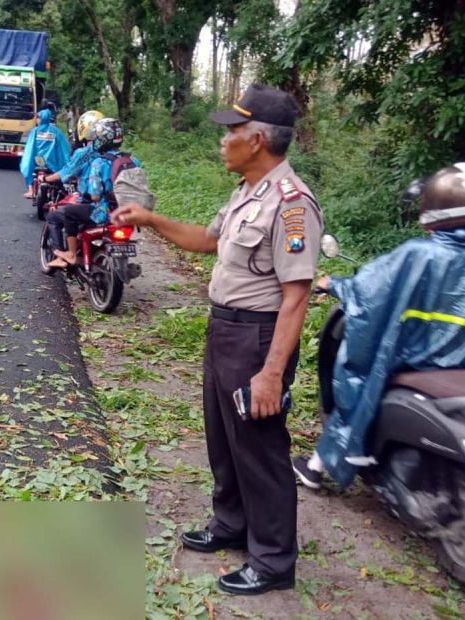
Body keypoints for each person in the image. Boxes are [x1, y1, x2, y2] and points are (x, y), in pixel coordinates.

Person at [112, 84, 322, 595]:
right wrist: (150, 219)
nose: (222, 141)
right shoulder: (246, 193)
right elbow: (206, 241)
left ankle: (273, 561)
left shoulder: (291, 205)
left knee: (260, 446)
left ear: (256, 140)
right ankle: (232, 525)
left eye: (230, 132)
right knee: (224, 438)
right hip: (224, 330)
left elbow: (296, 297)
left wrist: (272, 372)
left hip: (258, 338)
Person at [293, 163, 465, 490]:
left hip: (410, 357)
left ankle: (321, 466)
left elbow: (369, 291)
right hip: (461, 362)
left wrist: (334, 283)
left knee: (358, 378)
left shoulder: (418, 253)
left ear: (437, 206)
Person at [48, 117, 139, 268]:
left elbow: (95, 195)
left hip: (104, 213)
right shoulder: (133, 160)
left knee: (70, 212)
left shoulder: (99, 163)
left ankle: (70, 254)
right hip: (129, 213)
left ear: (102, 139)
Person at [43, 110, 104, 255]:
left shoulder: (83, 153)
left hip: (93, 205)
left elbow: (67, 173)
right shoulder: (116, 156)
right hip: (114, 208)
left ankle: (64, 254)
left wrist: (45, 179)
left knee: (54, 216)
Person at [21, 108, 70, 199]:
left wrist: (28, 160)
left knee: (27, 168)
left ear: (41, 118)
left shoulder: (35, 131)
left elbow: (30, 148)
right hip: (53, 164)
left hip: (37, 161)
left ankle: (31, 190)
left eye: (38, 117)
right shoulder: (56, 131)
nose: (37, 119)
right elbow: (64, 148)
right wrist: (67, 161)